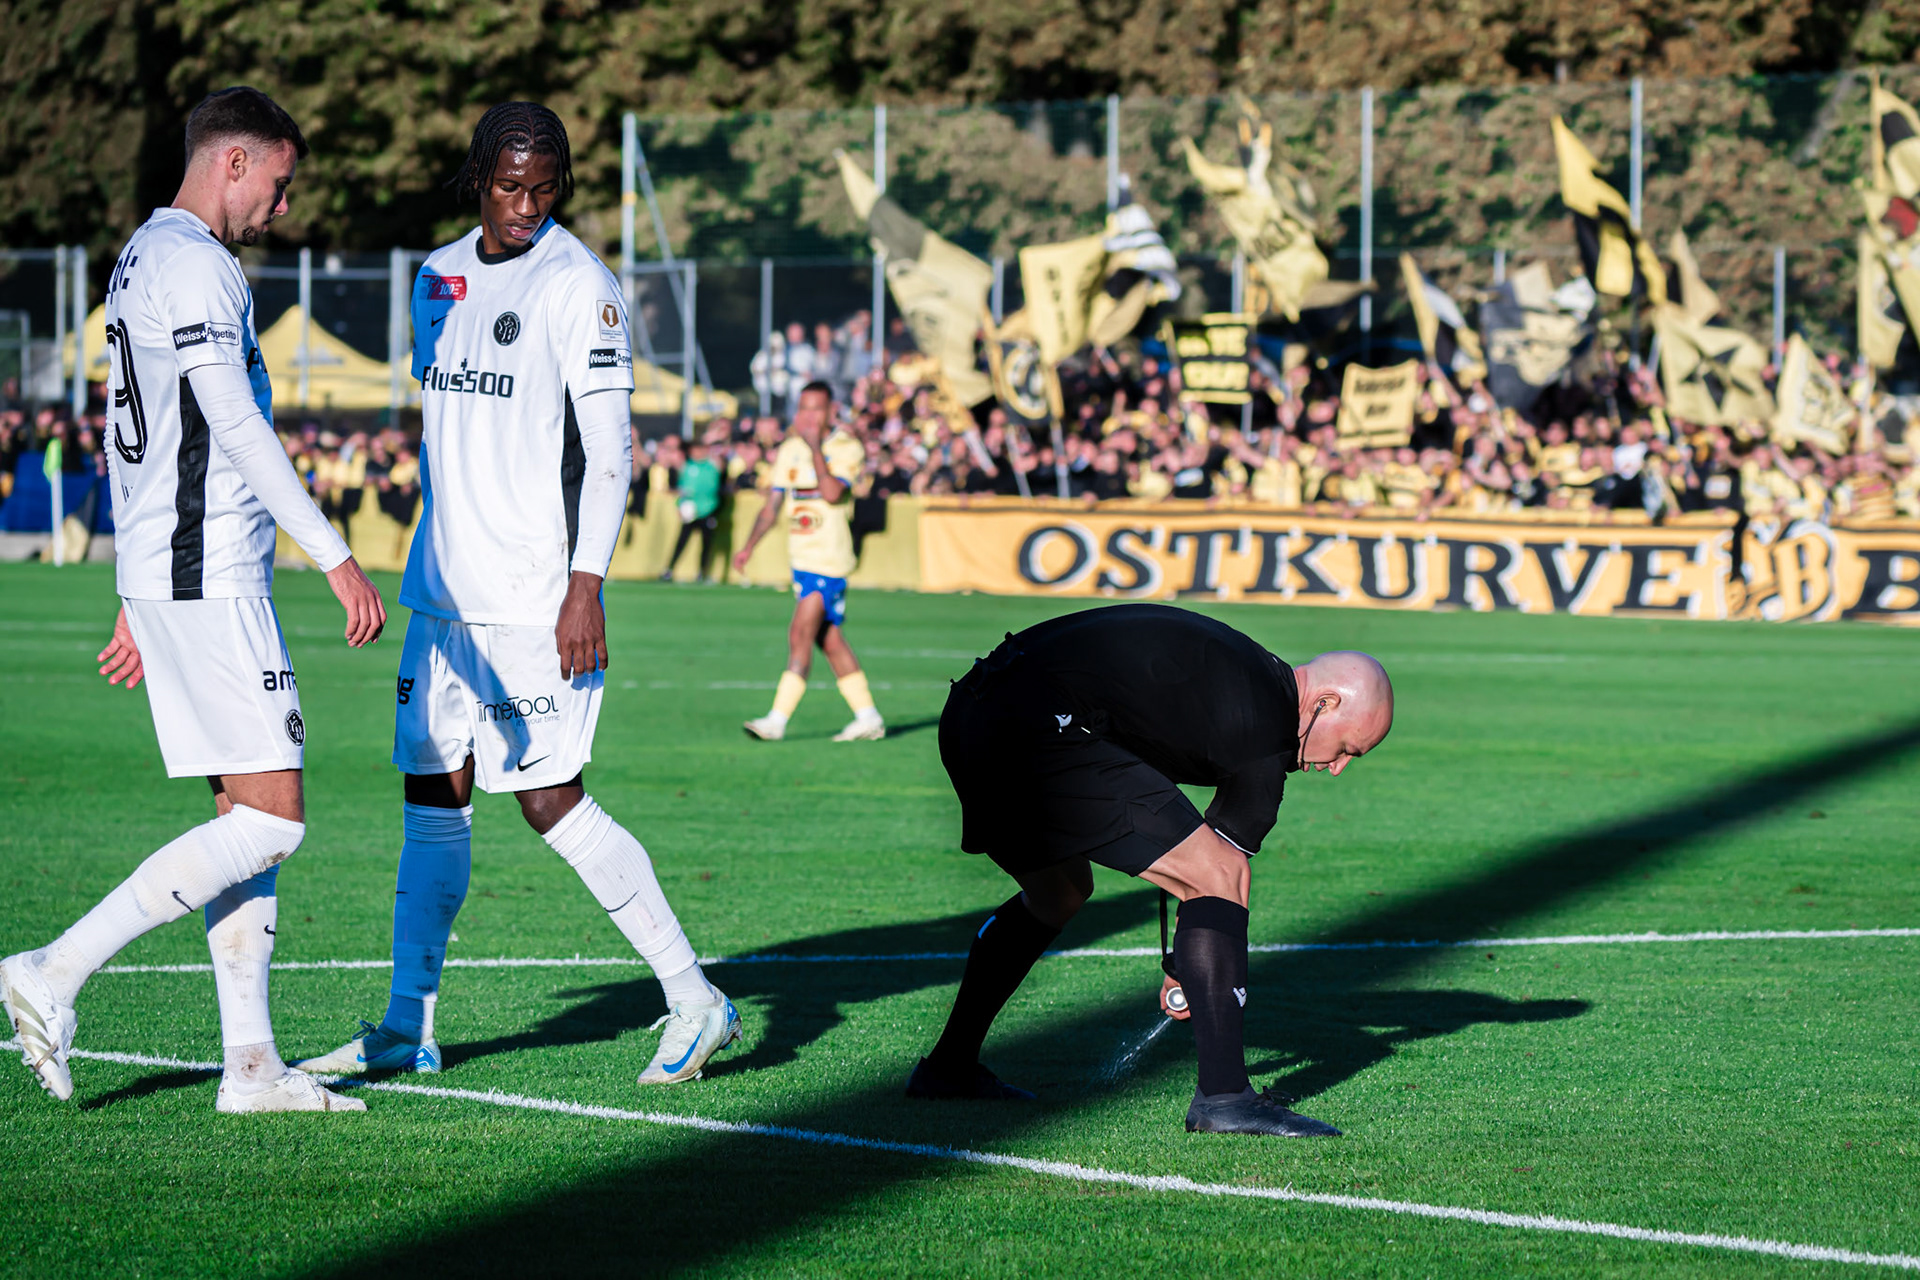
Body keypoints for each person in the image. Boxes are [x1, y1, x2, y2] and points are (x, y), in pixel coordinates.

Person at [298, 102, 740, 1088]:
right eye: (509, 186)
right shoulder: (435, 277)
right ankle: (408, 1024)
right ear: (478, 178)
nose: (527, 206)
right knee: (432, 792)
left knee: (548, 798)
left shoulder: (579, 285)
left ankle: (694, 998)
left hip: (535, 596)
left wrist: (587, 586)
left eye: (545, 189)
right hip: (440, 595)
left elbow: (612, 450)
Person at [0, 87, 387, 1113]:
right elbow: (229, 420)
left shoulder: (142, 254)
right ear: (234, 162)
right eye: (280, 183)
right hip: (207, 571)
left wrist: (132, 590)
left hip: (173, 570)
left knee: (239, 813)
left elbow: (132, 428)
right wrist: (334, 554)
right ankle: (53, 969)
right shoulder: (199, 265)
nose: (283, 206)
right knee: (273, 822)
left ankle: (251, 1066)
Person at [915, 604, 1393, 1137]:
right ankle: (1225, 1098)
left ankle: (948, 1067)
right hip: (1037, 725)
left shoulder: (1247, 675)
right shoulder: (1265, 721)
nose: (1337, 767)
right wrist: (1191, 961)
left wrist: (1189, 959)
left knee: (1059, 892)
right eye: (1348, 748)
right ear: (1325, 702)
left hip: (973, 715)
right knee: (1221, 875)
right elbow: (1220, 869)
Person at [731, 380, 885, 742]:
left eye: (816, 408)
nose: (808, 416)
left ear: (831, 411)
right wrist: (749, 546)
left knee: (799, 632)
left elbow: (832, 493)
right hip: (800, 561)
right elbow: (772, 506)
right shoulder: (789, 450)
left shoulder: (846, 447)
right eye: (803, 408)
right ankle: (868, 717)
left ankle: (776, 721)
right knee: (829, 640)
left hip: (828, 561)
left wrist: (816, 448)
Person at [662, 437, 722, 582]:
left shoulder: (712, 464)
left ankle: (702, 572)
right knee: (681, 541)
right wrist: (680, 505)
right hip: (690, 510)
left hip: (708, 509)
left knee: (706, 544)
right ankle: (669, 569)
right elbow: (682, 488)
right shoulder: (687, 466)